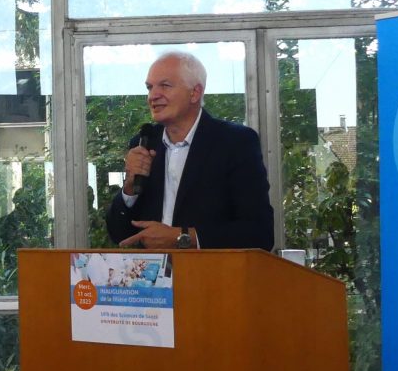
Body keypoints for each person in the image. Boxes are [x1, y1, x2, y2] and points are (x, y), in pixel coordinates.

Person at [105, 51, 274, 251]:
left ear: (195, 93)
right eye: (150, 87)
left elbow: (259, 233)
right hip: (153, 279)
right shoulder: (144, 144)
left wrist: (182, 237)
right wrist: (130, 188)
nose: (153, 96)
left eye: (165, 86)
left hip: (209, 278)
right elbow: (119, 234)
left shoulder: (235, 142)